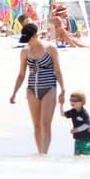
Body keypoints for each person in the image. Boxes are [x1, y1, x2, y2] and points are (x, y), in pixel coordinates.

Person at [10, 23, 65, 155]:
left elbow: (57, 70)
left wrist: (63, 89)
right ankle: (40, 153)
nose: (28, 42)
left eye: (29, 39)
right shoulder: (24, 51)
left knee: (45, 125)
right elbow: (21, 74)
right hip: (31, 90)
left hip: (49, 88)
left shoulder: (50, 48)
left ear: (36, 36)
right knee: (36, 125)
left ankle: (44, 153)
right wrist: (14, 93)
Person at [62, 91, 90, 156]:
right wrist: (61, 105)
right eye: (71, 100)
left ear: (82, 102)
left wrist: (77, 129)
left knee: (89, 155)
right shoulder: (73, 111)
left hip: (87, 139)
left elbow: (87, 125)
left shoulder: (84, 113)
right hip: (78, 139)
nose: (72, 102)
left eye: (75, 100)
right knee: (77, 155)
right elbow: (63, 114)